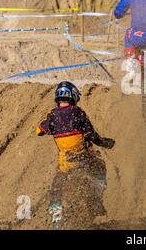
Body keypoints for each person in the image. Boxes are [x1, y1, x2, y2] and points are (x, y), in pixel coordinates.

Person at [36, 81, 115, 226]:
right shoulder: (78, 112)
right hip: (83, 159)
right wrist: (105, 143)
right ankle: (97, 199)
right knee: (100, 165)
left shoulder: (52, 115)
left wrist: (51, 128)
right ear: (73, 96)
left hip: (65, 165)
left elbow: (39, 130)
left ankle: (56, 219)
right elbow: (91, 135)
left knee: (56, 188)